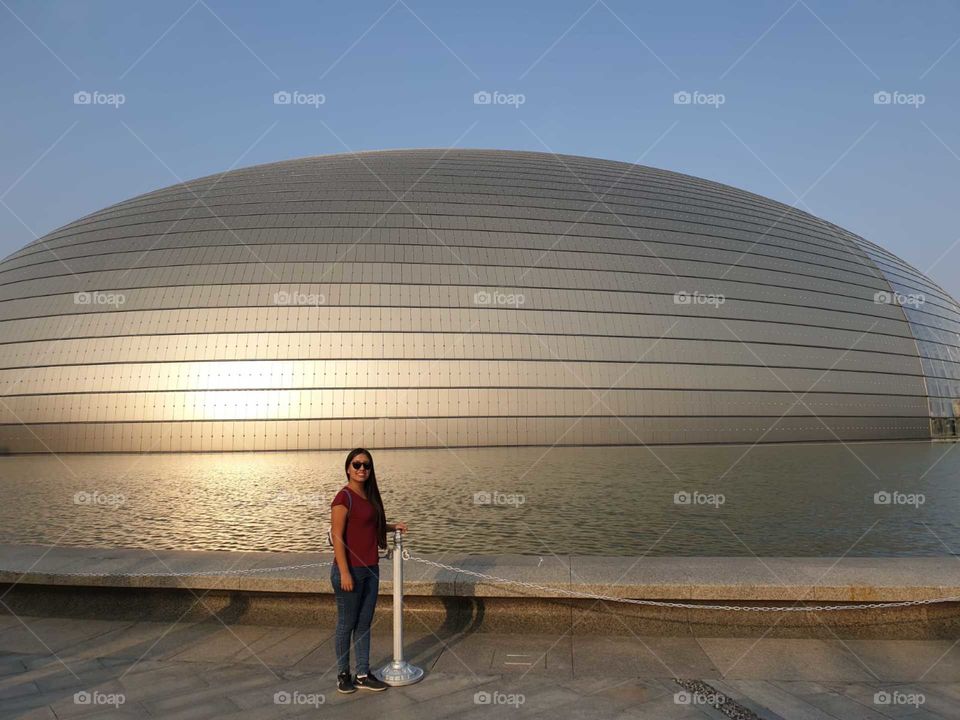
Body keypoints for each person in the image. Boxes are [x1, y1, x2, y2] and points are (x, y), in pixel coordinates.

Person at [330, 448, 408, 693]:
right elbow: (337, 537)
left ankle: (362, 673)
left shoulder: (369, 497)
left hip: (370, 570)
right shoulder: (344, 498)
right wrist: (344, 572)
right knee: (346, 624)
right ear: (348, 469)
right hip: (350, 571)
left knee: (364, 623)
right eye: (357, 464)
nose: (362, 469)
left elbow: (370, 525)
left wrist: (393, 526)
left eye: (366, 465)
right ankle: (344, 674)